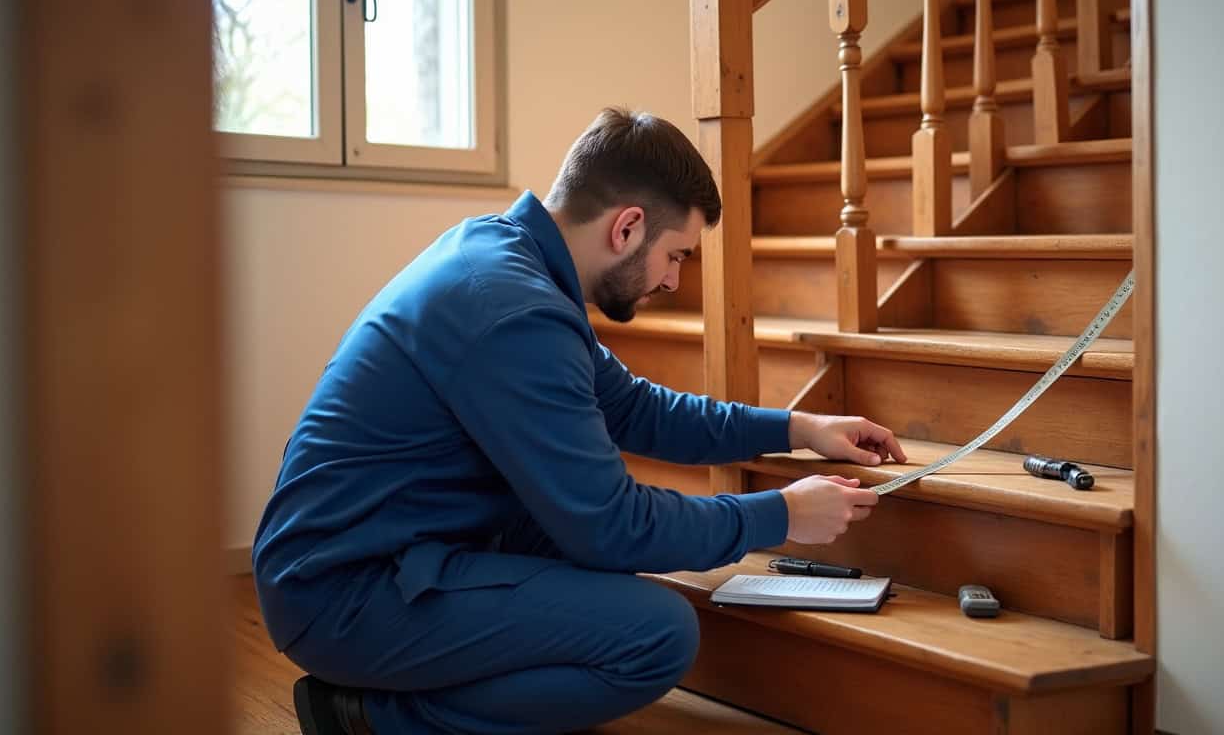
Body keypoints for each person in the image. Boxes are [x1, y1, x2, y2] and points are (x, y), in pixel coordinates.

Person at [252, 107, 907, 735]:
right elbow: (610, 526)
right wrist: (781, 516)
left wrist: (795, 428)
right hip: (342, 592)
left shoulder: (506, 261)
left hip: (390, 550)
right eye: (676, 254)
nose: (676, 280)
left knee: (598, 566)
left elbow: (635, 410)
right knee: (656, 635)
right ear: (626, 228)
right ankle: (368, 719)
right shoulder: (513, 311)